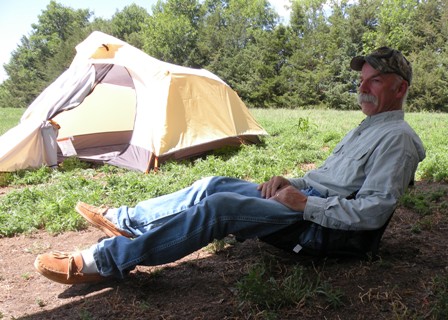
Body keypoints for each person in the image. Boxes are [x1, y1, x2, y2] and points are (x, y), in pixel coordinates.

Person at [34, 47, 426, 285]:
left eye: (373, 81)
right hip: (305, 203)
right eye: (362, 80)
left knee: (220, 208)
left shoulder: (399, 140)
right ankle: (126, 220)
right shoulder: (368, 128)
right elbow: (331, 178)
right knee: (212, 183)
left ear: (400, 88)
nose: (362, 88)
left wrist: (304, 204)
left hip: (320, 228)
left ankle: (106, 261)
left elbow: (372, 213)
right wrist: (293, 183)